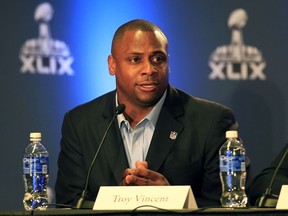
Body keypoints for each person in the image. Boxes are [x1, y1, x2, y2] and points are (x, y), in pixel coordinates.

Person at [55, 19, 251, 208]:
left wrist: (171, 198)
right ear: (112, 65)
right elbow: (69, 204)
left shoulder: (211, 121)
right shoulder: (80, 123)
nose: (149, 69)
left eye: (158, 59)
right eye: (135, 59)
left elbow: (230, 205)